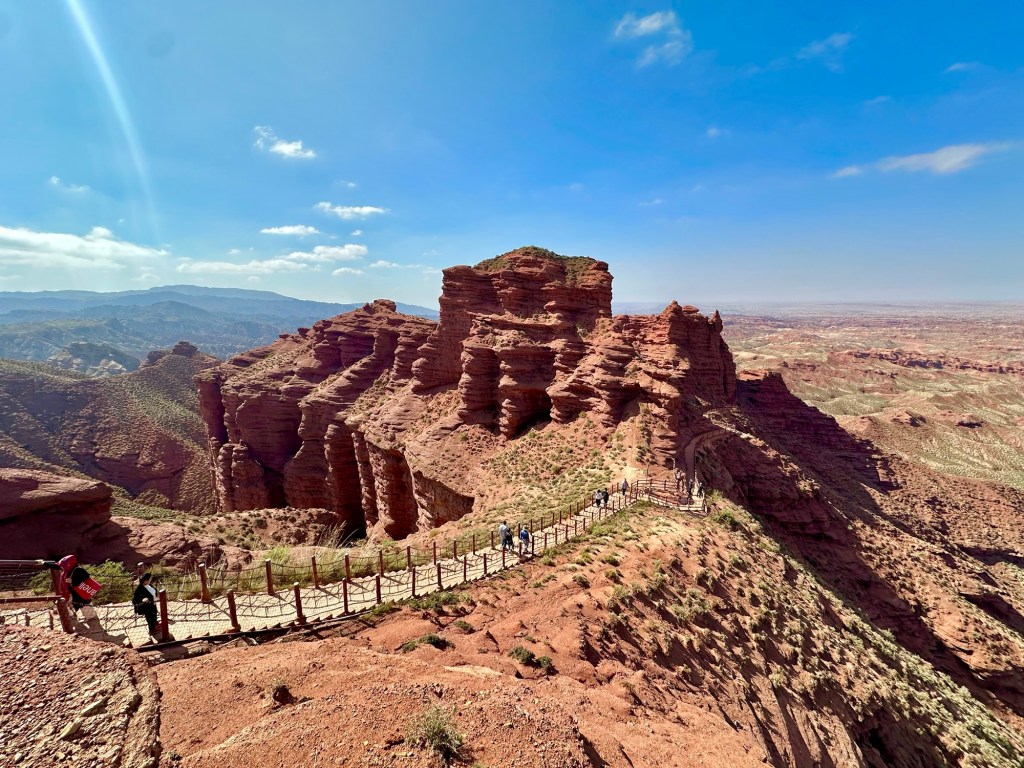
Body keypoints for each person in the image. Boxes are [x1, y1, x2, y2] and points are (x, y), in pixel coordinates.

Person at [133, 572, 159, 637]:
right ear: (145, 581)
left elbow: (154, 592)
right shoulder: (139, 589)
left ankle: (155, 626)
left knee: (154, 615)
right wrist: (142, 600)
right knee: (150, 618)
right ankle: (152, 631)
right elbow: (135, 600)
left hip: (153, 603)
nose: (150, 580)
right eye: (149, 579)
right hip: (147, 607)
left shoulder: (150, 585)